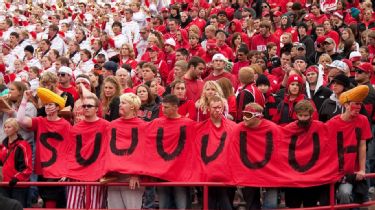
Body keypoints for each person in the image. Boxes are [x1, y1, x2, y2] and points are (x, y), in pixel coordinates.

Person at [16, 88, 71, 208]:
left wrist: (66, 170)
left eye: (50, 104)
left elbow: (69, 148)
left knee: (51, 202)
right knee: (49, 202)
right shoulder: (40, 121)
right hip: (42, 169)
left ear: (57, 107)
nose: (47, 107)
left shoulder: (66, 125)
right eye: (45, 105)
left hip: (57, 171)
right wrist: (25, 99)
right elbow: (20, 120)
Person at [326, 85, 372, 204]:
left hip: (351, 171)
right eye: (355, 103)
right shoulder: (332, 123)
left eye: (360, 104)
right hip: (333, 170)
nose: (358, 107)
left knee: (345, 193)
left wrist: (362, 169)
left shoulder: (363, 120)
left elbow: (362, 146)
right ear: (346, 105)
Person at [283, 100, 330, 207]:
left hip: (312, 176)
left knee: (310, 205)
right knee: (293, 205)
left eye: (305, 115)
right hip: (293, 177)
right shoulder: (288, 129)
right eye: (300, 115)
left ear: (311, 114)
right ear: (296, 114)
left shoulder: (320, 127)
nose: (303, 118)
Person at [106, 93, 145, 209]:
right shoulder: (112, 125)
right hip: (113, 175)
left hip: (131, 177)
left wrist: (135, 174)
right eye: (120, 103)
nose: (119, 105)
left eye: (123, 103)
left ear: (132, 106)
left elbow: (143, 152)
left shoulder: (143, 126)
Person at [156, 94, 192, 209]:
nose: (163, 109)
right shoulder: (157, 123)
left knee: (181, 203)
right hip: (162, 170)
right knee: (163, 205)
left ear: (176, 107)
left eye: (166, 107)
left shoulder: (188, 123)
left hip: (180, 171)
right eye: (162, 107)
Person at [0, 118, 32, 207]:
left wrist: (16, 178)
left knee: (18, 207)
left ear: (15, 129)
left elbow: (27, 168)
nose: (6, 129)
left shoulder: (23, 145)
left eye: (9, 127)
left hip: (18, 185)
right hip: (4, 184)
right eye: (5, 127)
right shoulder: (3, 145)